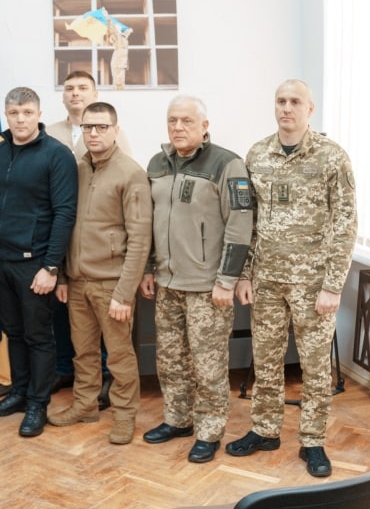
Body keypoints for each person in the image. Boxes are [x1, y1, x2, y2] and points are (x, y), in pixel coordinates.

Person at [227, 80, 357, 478]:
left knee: (316, 367)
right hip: (266, 282)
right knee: (266, 361)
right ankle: (265, 430)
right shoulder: (257, 154)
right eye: (281, 101)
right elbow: (246, 221)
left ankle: (313, 440)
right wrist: (244, 274)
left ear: (310, 108)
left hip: (313, 285)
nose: (286, 108)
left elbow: (346, 223)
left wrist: (334, 284)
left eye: (295, 101)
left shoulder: (331, 157)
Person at [139, 95, 252, 464]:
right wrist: (147, 269)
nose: (178, 127)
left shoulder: (227, 163)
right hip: (168, 282)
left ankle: (209, 430)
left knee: (208, 365)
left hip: (207, 286)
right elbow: (149, 224)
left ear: (205, 125)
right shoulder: (157, 163)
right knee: (170, 360)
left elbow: (240, 226)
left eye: (187, 121)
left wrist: (227, 280)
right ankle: (177, 419)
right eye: (172, 120)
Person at [46, 102, 151, 445]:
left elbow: (139, 239)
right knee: (83, 352)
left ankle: (124, 417)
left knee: (119, 356)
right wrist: (62, 276)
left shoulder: (130, 173)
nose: (94, 133)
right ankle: (85, 404)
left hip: (111, 284)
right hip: (77, 281)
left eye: (102, 127)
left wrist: (124, 293)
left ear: (115, 130)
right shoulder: (76, 168)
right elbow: (65, 223)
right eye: (89, 127)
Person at [0, 87, 78, 439]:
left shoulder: (57, 155)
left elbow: (65, 213)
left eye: (27, 112)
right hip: (1, 260)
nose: (20, 119)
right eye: (14, 113)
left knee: (39, 336)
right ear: (6, 115)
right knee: (14, 332)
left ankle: (38, 403)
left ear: (38, 113)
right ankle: (19, 393)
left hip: (36, 264)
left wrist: (51, 266)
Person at [43, 71, 132, 408]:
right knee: (65, 316)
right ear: (62, 95)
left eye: (83, 88)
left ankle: (109, 381)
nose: (75, 93)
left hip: (101, 249)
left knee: (106, 324)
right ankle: (67, 371)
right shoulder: (51, 132)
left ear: (95, 93)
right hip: (63, 239)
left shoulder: (112, 135)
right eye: (69, 88)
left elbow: (124, 186)